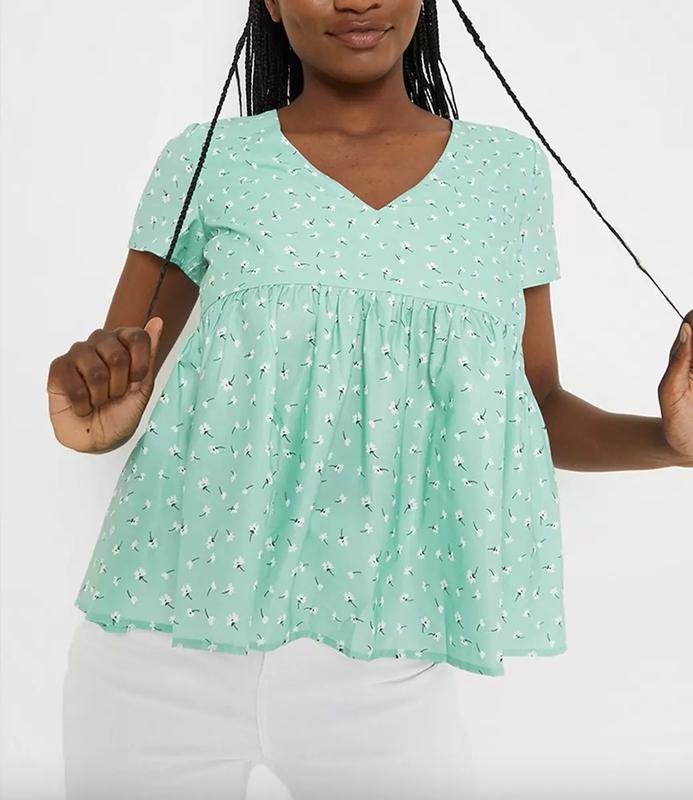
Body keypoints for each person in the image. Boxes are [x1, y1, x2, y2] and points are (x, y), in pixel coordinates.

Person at [48, 1, 693, 798]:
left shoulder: (504, 174)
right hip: (160, 640)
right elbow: (114, 378)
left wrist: (670, 444)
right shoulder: (209, 160)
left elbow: (538, 404)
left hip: (385, 653)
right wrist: (94, 421)